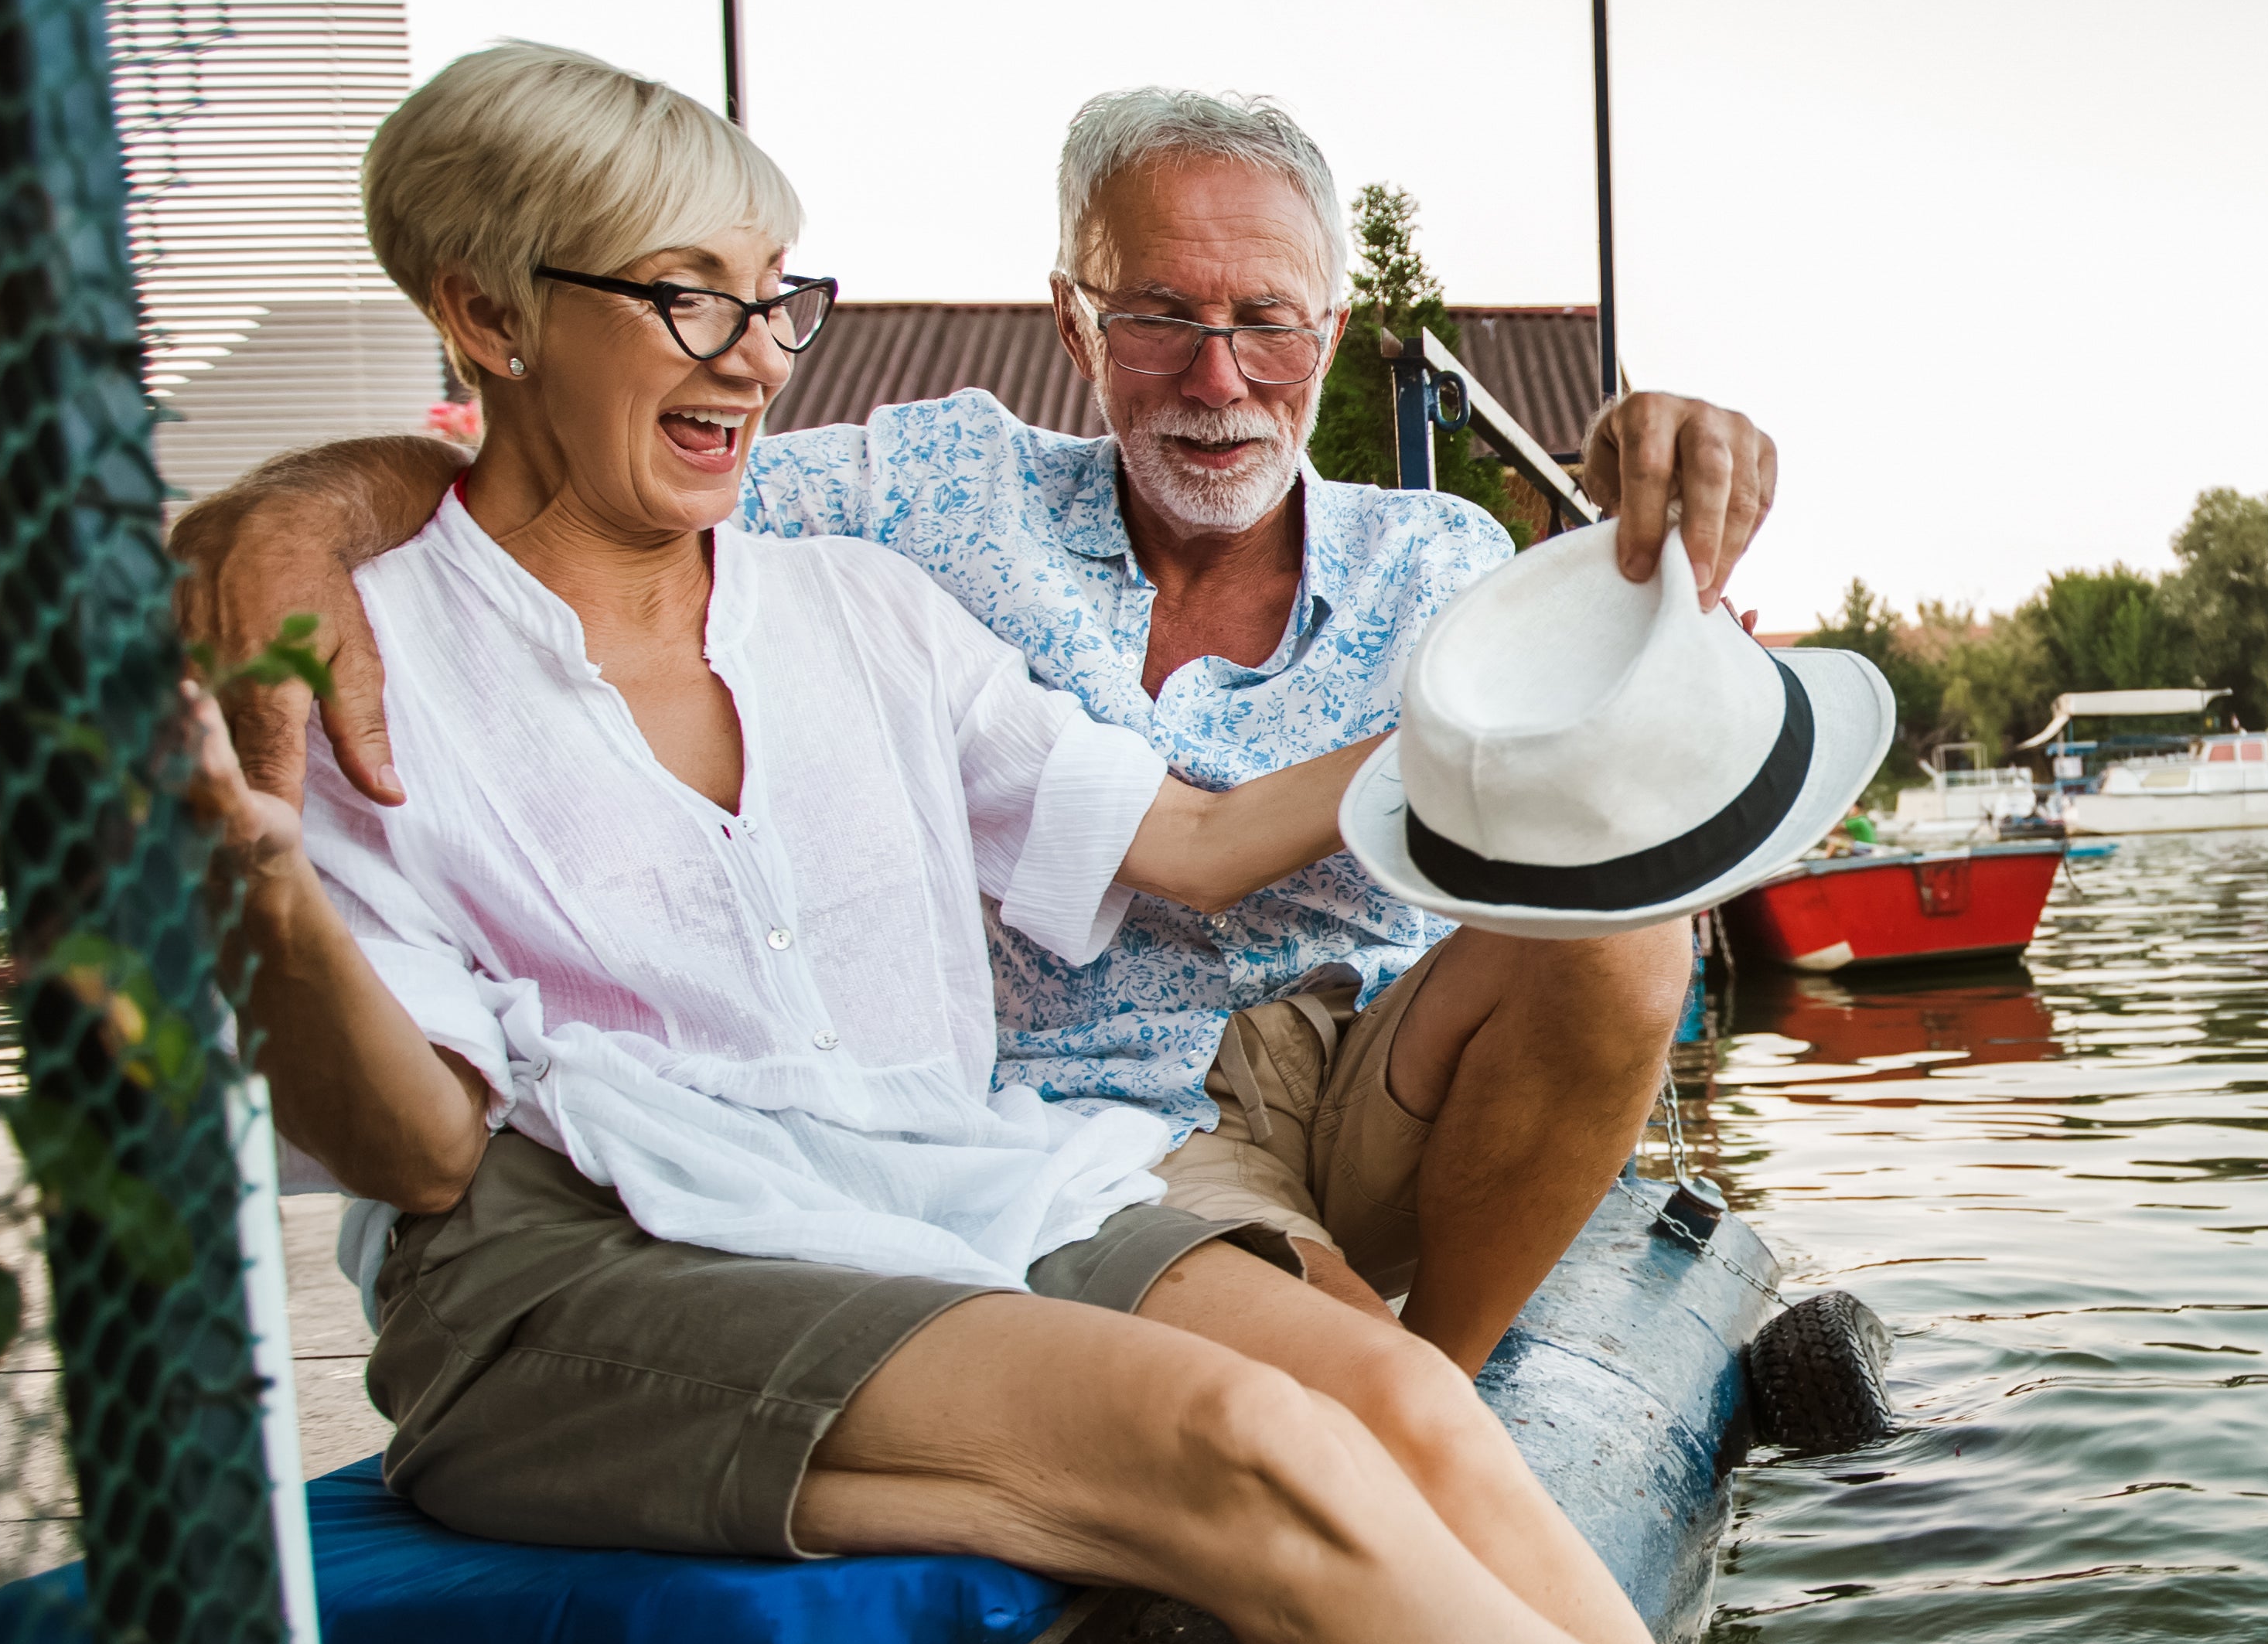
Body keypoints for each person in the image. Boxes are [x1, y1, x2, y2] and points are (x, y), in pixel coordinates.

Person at [201, 43, 2268, 1644]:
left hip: (940, 1182)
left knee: (1402, 1428)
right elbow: (418, 1150)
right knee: (1254, 1461)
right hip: (589, 1248)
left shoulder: (844, 615)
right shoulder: (381, 649)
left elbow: (1205, 840)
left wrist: (1543, 712)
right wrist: (271, 868)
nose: (744, 355)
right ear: (492, 310)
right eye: (686, 299)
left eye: (770, 301)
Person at [179, 84, 1776, 1378]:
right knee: (1280, 1363)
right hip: (1079, 1127)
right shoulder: (910, 497)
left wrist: (1653, 514)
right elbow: (551, 477)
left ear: (1334, 336)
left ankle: (1461, 1388)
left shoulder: (1443, 564)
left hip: (1367, 1072)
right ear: (1072, 320)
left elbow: (1614, 749)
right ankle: (1369, 1425)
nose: (1219, 377)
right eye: (1158, 314)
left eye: (1268, 324)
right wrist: (308, 509)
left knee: (1623, 939)